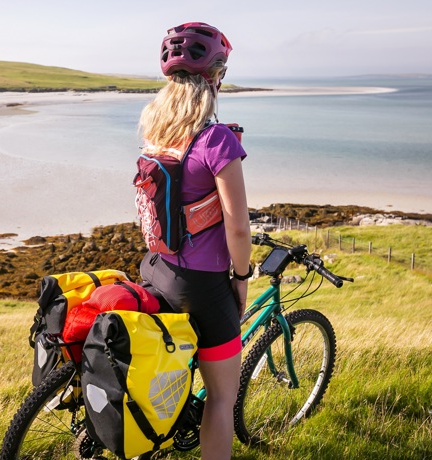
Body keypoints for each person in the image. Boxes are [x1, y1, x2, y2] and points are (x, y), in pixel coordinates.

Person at [138, 22, 252, 460]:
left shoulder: (157, 132)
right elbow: (237, 227)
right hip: (203, 287)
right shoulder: (216, 139)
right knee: (223, 397)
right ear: (216, 76)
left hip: (156, 266)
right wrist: (240, 278)